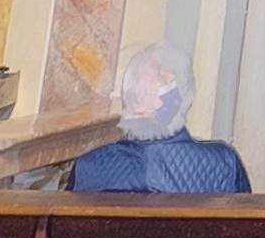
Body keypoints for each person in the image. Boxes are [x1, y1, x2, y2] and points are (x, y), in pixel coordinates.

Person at [71, 43, 249, 195]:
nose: (171, 78)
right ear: (137, 102)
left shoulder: (89, 166)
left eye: (175, 75)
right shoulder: (223, 162)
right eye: (160, 73)